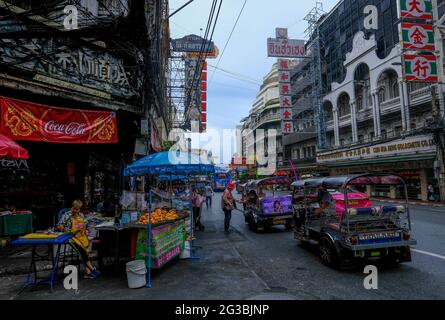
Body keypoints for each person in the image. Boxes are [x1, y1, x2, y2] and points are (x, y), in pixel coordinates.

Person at [57, 200, 100, 279]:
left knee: (85, 249)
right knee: (81, 250)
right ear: (72, 207)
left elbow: (84, 225)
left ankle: (88, 271)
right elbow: (59, 225)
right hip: (70, 237)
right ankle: (90, 269)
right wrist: (61, 227)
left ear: (79, 209)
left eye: (77, 209)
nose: (75, 211)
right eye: (74, 208)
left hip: (80, 236)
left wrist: (84, 229)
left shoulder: (81, 215)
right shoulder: (67, 215)